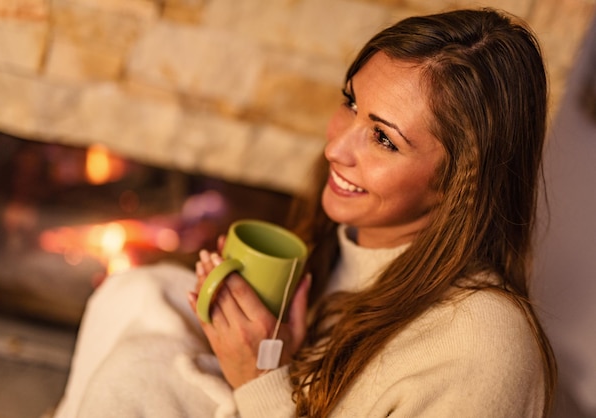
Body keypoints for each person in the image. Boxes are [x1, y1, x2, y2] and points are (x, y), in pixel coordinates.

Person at [54, 7, 557, 418]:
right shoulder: (356, 237)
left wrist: (259, 378)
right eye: (351, 103)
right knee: (137, 292)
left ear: (463, 184)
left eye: (383, 138)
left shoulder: (487, 350)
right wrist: (273, 353)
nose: (337, 146)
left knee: (138, 371)